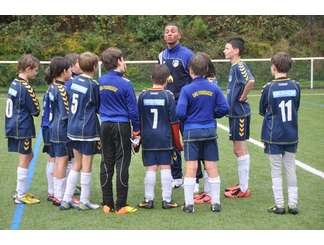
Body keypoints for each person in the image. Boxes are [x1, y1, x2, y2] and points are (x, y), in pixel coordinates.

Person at [176, 52, 229, 213]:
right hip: (210, 131)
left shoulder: (186, 89)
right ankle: (216, 203)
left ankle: (189, 204)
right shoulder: (214, 88)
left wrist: (191, 116)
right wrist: (212, 114)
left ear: (190, 70)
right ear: (206, 70)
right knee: (211, 166)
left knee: (191, 167)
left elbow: (180, 112)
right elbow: (224, 108)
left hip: (192, 131)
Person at [99, 47, 140, 215]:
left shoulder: (100, 81)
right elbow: (133, 110)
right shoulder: (126, 83)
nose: (125, 63)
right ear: (118, 61)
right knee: (122, 163)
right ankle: (121, 205)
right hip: (121, 125)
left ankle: (107, 203)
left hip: (105, 125)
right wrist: (137, 131)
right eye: (123, 60)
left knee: (106, 163)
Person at [259, 52, 300, 215]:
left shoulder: (269, 88)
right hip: (291, 133)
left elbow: (262, 110)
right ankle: (293, 204)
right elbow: (296, 106)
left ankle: (280, 205)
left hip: (273, 135)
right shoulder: (296, 86)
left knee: (276, 169)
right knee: (290, 167)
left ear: (274, 68)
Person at [137, 64, 182, 210]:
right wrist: (177, 142)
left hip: (148, 137)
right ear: (168, 80)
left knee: (150, 168)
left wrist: (137, 138)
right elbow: (174, 122)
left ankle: (148, 200)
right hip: (164, 137)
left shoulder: (142, 95)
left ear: (151, 78)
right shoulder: (168, 96)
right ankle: (166, 200)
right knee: (165, 167)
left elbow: (139, 119)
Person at [60, 52, 101, 211]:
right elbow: (97, 107)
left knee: (76, 163)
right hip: (87, 129)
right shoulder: (93, 85)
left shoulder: (73, 82)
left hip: (73, 127)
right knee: (87, 165)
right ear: (94, 67)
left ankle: (66, 199)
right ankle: (84, 201)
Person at [158, 22, 194, 188]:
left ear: (179, 35)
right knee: (172, 141)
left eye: (173, 31)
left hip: (184, 105)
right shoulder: (161, 55)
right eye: (167, 32)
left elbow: (194, 77)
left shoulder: (187, 55)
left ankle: (195, 178)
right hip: (168, 105)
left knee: (189, 140)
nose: (169, 34)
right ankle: (177, 175)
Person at [5, 54, 41, 204]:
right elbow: (36, 110)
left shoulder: (14, 83)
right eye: (35, 70)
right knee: (25, 158)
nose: (36, 73)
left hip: (12, 125)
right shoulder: (26, 87)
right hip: (22, 126)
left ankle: (21, 191)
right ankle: (20, 194)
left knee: (28, 155)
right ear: (28, 69)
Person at [223, 37, 255, 198]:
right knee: (237, 149)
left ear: (236, 51)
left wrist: (243, 96)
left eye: (227, 48)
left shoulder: (239, 65)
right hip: (234, 114)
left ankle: (244, 189)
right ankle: (242, 185)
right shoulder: (233, 67)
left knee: (240, 149)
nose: (224, 50)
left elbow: (250, 80)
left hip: (240, 113)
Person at [47, 56, 72, 206]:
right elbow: (66, 113)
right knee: (62, 161)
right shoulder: (62, 89)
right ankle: (59, 195)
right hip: (61, 128)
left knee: (57, 161)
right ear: (64, 71)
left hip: (52, 127)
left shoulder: (52, 86)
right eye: (69, 70)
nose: (71, 73)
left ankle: (56, 194)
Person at [42, 68, 55, 202]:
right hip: (51, 127)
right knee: (54, 158)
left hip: (47, 126)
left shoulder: (49, 89)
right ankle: (52, 191)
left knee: (52, 158)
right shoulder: (54, 90)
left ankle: (53, 190)